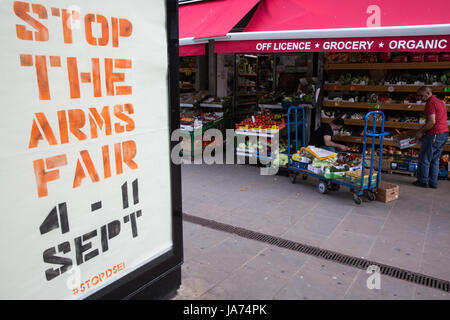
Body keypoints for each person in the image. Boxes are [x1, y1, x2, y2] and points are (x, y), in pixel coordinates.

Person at [413, 86, 449, 188]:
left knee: (425, 158)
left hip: (435, 134)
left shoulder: (430, 103)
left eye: (421, 95)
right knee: (434, 159)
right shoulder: (440, 102)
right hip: (444, 133)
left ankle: (423, 181)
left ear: (428, 93)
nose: (420, 98)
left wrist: (420, 132)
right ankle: (433, 183)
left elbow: (432, 122)